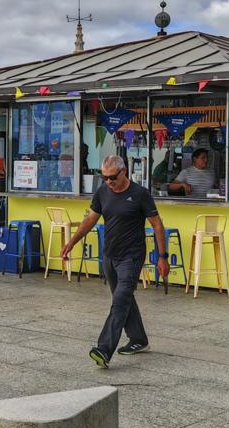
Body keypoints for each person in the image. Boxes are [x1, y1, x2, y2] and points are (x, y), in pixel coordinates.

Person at [60, 155, 169, 368]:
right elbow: (90, 220)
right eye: (105, 178)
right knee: (124, 299)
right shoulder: (103, 192)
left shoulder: (140, 194)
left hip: (132, 256)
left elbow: (157, 225)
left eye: (112, 177)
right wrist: (72, 242)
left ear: (124, 171)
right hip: (109, 256)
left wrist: (162, 257)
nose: (109, 182)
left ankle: (104, 349)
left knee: (119, 301)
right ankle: (139, 339)